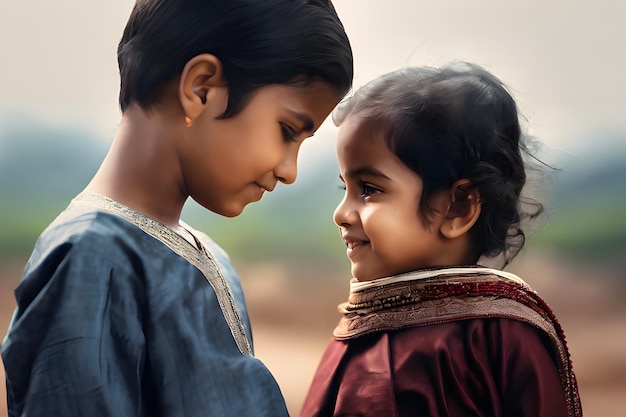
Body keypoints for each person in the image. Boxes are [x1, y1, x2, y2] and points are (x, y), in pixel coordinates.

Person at [1, 0, 353, 416]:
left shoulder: (209, 255)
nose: (289, 170)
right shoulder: (92, 256)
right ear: (201, 88)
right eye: (288, 130)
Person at [300, 63, 582, 417]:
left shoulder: (499, 337)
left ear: (458, 207)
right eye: (346, 188)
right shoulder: (356, 330)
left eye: (369, 190)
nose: (341, 213)